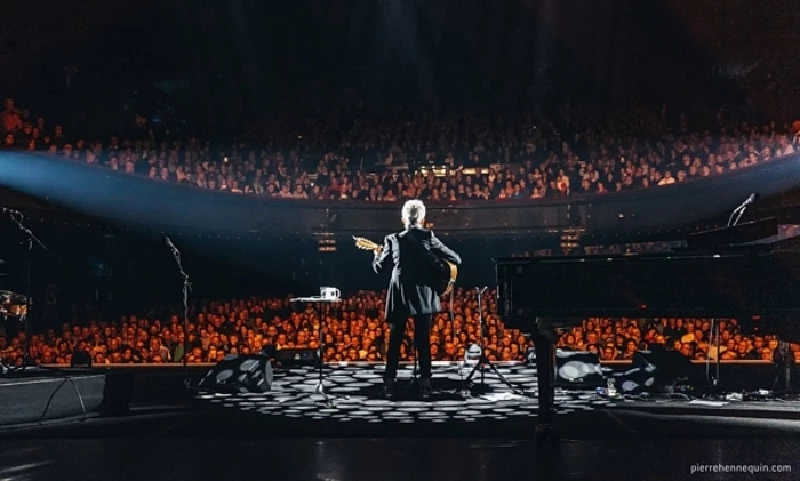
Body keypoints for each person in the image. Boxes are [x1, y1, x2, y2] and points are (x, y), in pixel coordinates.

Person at [372, 199, 461, 399]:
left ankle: (388, 385)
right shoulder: (428, 237)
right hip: (424, 294)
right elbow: (456, 259)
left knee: (395, 341)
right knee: (423, 342)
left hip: (400, 294)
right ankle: (425, 387)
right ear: (422, 219)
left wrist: (376, 254)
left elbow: (379, 268)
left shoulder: (392, 239)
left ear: (403, 219)